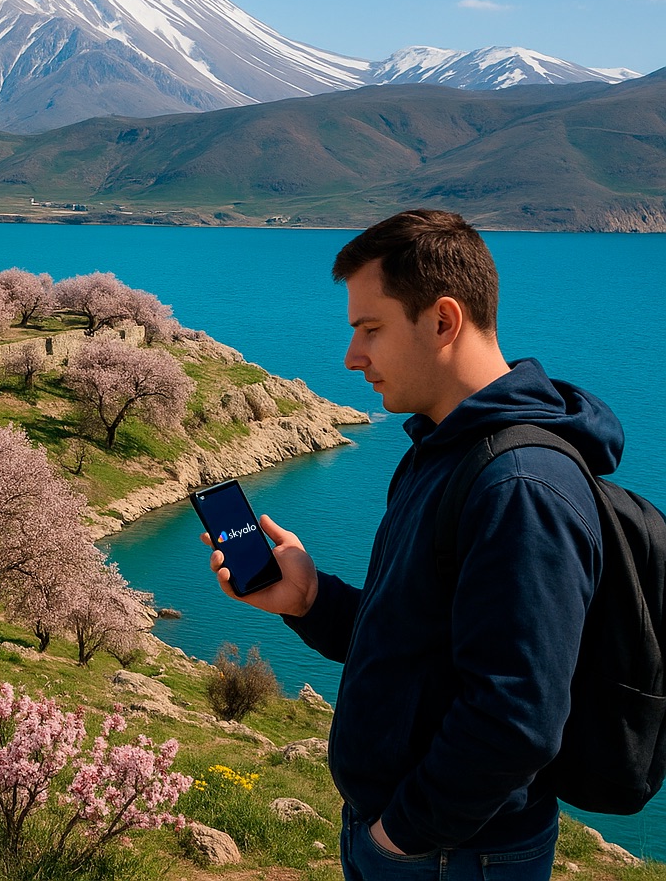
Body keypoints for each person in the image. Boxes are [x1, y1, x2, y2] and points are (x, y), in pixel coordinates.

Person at [203, 209, 611, 881]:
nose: (351, 356)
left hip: (452, 854)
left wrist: (399, 836)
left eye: (371, 329)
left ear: (443, 321)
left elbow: (518, 717)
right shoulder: (441, 452)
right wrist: (311, 601)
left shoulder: (520, 486)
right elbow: (419, 642)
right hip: (423, 842)